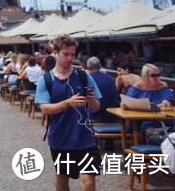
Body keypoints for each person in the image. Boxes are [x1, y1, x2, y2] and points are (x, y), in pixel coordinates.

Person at [36, 35, 102, 191]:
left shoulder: (83, 76)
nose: (70, 58)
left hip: (85, 139)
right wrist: (67, 103)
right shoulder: (46, 80)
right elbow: (45, 109)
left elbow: (97, 107)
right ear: (56, 53)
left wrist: (92, 100)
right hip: (60, 139)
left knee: (88, 182)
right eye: (66, 54)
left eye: (73, 55)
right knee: (62, 179)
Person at [123, 63, 174, 133]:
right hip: (139, 119)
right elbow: (126, 102)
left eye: (158, 75)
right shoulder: (137, 86)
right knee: (144, 124)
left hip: (159, 118)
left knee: (152, 124)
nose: (157, 78)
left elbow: (167, 103)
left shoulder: (162, 85)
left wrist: (165, 103)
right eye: (153, 75)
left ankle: (157, 137)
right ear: (145, 76)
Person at [86, 56, 120, 123]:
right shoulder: (111, 79)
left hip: (96, 117)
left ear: (88, 67)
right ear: (100, 66)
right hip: (114, 116)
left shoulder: (87, 80)